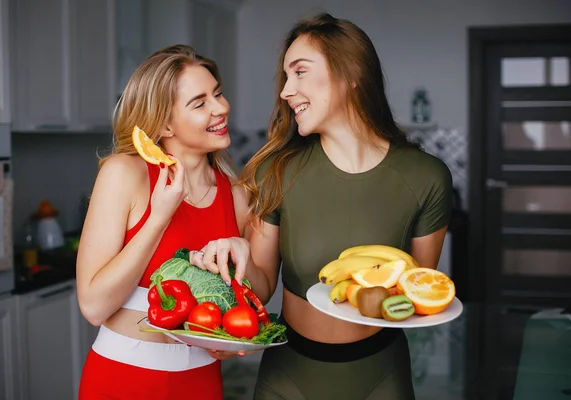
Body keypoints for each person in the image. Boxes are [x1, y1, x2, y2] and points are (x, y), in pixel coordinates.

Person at [191, 12, 453, 400]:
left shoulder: (427, 177)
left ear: (351, 74)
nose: (285, 90)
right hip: (288, 376)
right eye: (285, 77)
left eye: (299, 72)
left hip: (382, 377)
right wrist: (241, 257)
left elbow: (417, 291)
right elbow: (260, 289)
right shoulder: (274, 171)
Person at [76, 44, 250, 400]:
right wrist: (159, 217)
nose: (221, 108)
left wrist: (233, 337)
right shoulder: (124, 173)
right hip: (121, 380)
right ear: (163, 122)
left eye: (218, 93)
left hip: (202, 381)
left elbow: (241, 304)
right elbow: (93, 307)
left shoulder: (236, 195)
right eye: (200, 103)